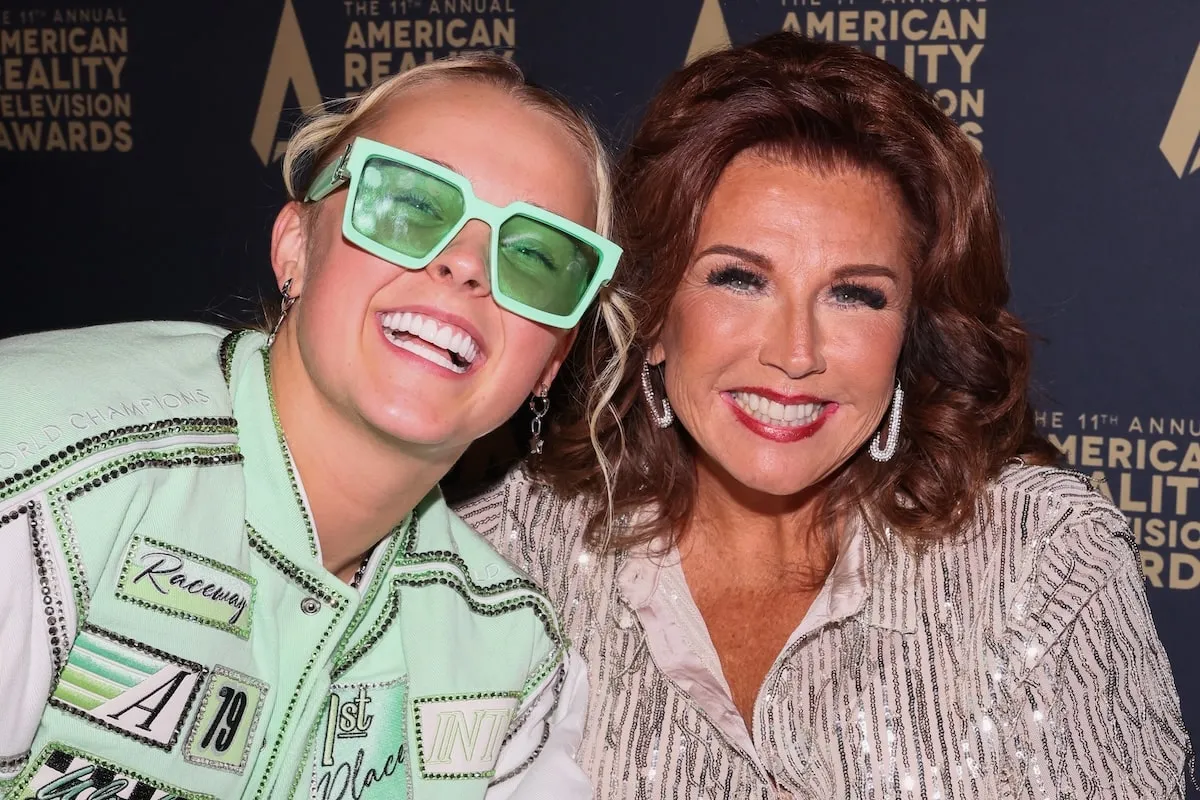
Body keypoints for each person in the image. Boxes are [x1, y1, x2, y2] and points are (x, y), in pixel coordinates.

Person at [456, 33, 1190, 798]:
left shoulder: (1043, 564)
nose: (796, 352)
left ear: (910, 330)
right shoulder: (498, 560)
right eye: (740, 279)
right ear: (653, 318)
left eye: (855, 294)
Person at [0, 52, 622, 799]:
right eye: (410, 205)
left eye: (535, 257)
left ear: (550, 360)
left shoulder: (510, 655)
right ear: (296, 245)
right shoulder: (39, 478)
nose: (466, 265)